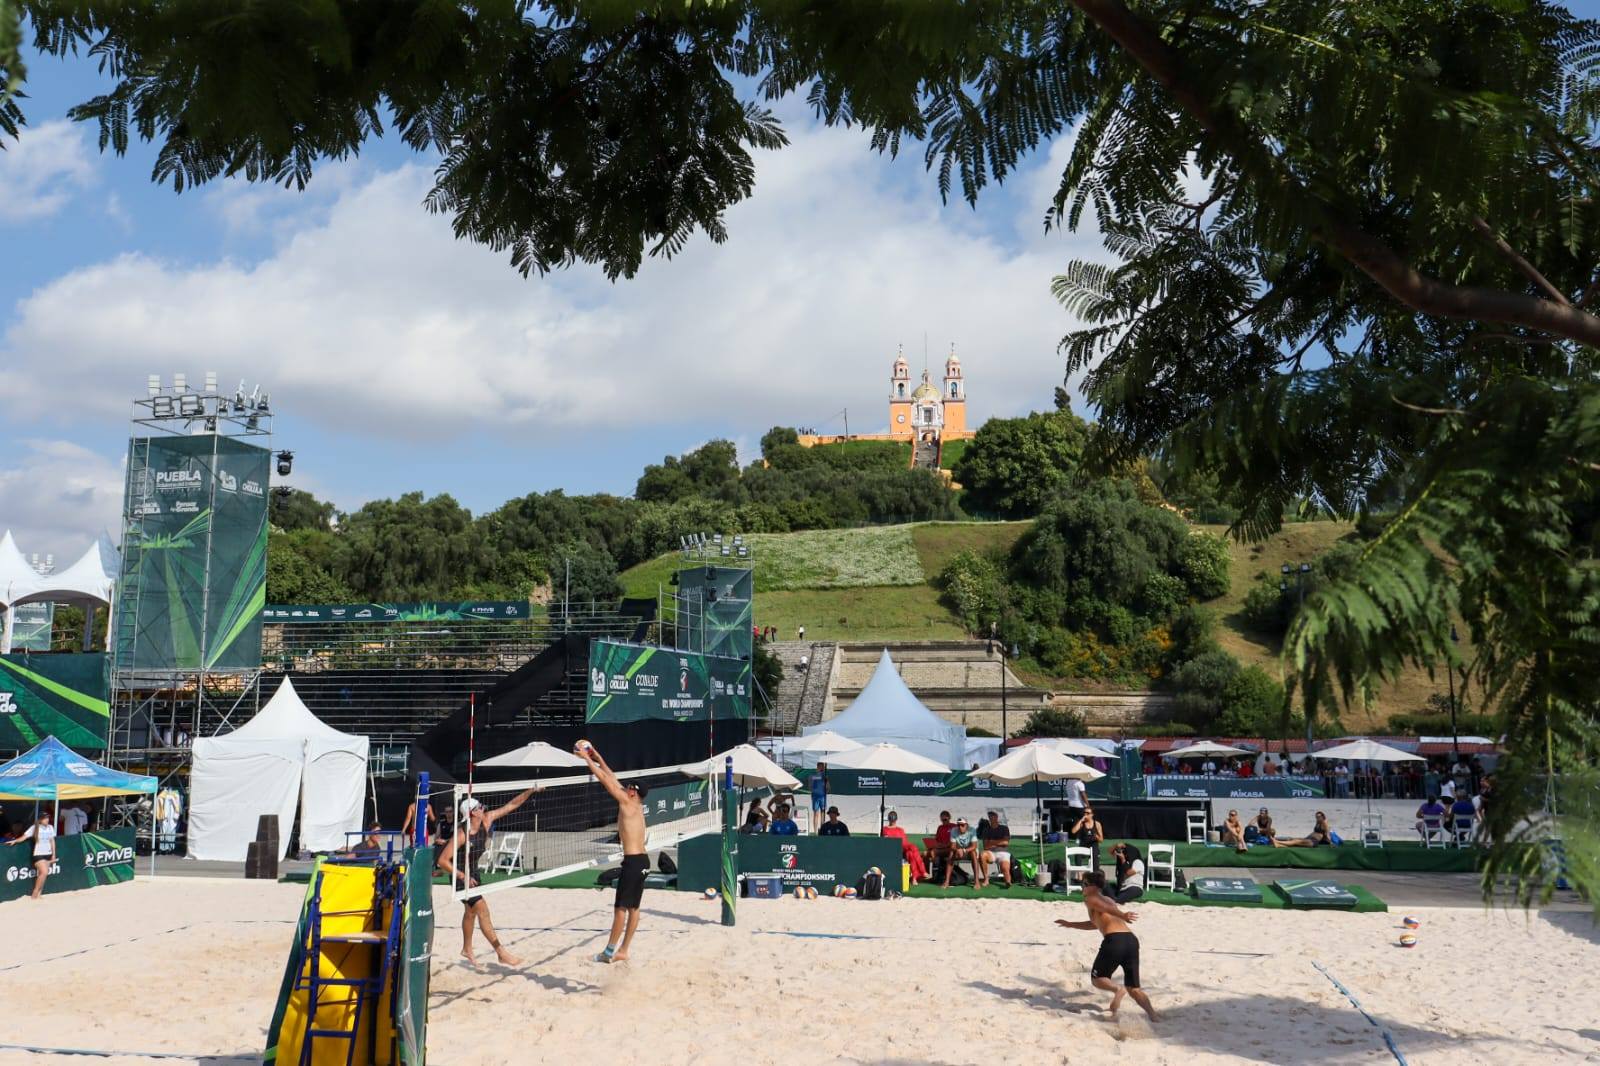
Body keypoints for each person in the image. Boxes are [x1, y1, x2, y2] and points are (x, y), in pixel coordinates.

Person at [436, 785, 538, 967]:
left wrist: (530, 791)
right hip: (459, 876)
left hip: (473, 872)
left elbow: (511, 805)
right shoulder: (461, 835)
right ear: (472, 813)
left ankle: (467, 948)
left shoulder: (487, 820)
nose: (483, 808)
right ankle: (501, 952)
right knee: (482, 909)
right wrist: (462, 876)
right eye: (479, 807)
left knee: (471, 911)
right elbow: (442, 860)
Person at [576, 740, 650, 964]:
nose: (625, 788)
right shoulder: (634, 805)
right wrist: (597, 756)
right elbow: (612, 776)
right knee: (634, 908)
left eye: (629, 787)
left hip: (633, 862)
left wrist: (586, 759)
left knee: (620, 910)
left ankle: (608, 953)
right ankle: (623, 950)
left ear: (634, 794)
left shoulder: (627, 803)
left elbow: (605, 781)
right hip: (643, 862)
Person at [1054, 871, 1159, 1021]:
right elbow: (1095, 923)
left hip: (1114, 941)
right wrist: (1070, 924)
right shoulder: (1109, 899)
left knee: (1098, 978)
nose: (1081, 887)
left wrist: (1122, 914)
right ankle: (1153, 1015)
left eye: (1083, 884)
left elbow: (1104, 907)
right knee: (1134, 989)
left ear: (1092, 886)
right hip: (1130, 940)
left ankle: (1117, 989)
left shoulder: (1091, 898)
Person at [17, 810, 56, 900]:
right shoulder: (34, 827)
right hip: (38, 854)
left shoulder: (50, 827)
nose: (47, 820)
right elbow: (24, 837)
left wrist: (54, 854)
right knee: (44, 872)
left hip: (48, 853)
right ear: (40, 820)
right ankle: (35, 893)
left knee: (43, 875)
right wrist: (15, 840)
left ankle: (39, 894)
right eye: (45, 818)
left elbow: (52, 841)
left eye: (48, 818)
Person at [882, 811, 928, 882]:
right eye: (891, 818)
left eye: (893, 819)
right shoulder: (885, 829)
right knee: (913, 849)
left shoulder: (900, 830)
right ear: (889, 819)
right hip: (893, 849)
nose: (892, 820)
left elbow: (905, 842)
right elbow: (887, 842)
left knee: (910, 853)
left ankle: (914, 878)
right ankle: (923, 872)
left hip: (903, 848)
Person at [944, 817, 982, 888]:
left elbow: (974, 846)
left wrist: (964, 850)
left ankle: (976, 881)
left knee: (973, 853)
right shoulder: (954, 830)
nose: (960, 827)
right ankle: (947, 881)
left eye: (962, 825)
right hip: (959, 851)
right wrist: (958, 850)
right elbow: (952, 846)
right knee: (951, 854)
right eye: (958, 825)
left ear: (967, 825)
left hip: (969, 852)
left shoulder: (972, 830)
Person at [978, 811, 1013, 888]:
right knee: (982, 855)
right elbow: (986, 846)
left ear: (996, 817)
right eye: (990, 817)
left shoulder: (1004, 828)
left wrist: (992, 842)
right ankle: (986, 879)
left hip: (1003, 852)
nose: (991, 819)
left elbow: (1006, 842)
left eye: (993, 817)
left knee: (1005, 868)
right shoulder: (986, 830)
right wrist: (999, 842)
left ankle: (1008, 882)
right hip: (991, 853)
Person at [810, 762, 829, 832]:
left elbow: (828, 787)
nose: (822, 768)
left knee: (823, 813)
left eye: (823, 767)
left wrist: (826, 788)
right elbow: (811, 784)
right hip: (816, 796)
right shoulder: (815, 776)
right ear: (818, 767)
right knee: (816, 813)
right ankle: (815, 831)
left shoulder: (824, 776)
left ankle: (822, 830)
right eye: (821, 767)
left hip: (822, 797)